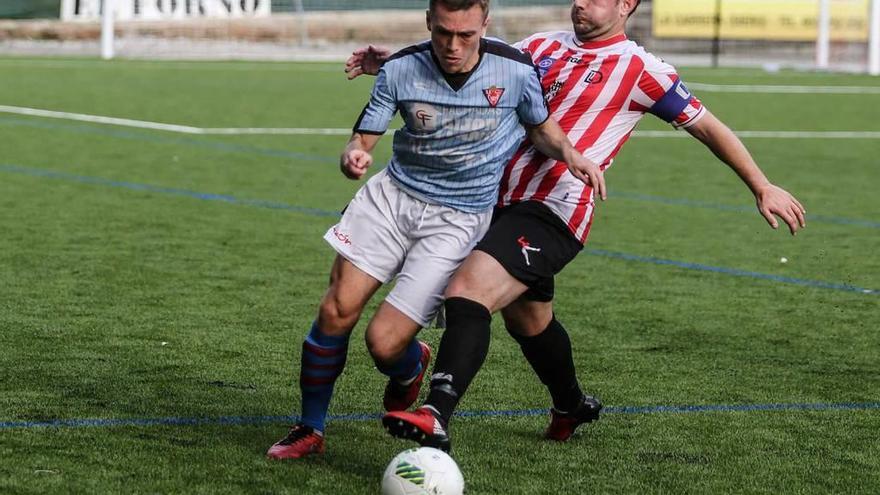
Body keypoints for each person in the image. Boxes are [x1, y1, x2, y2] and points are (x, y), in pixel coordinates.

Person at [348, 0, 806, 453]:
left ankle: (436, 412)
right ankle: (572, 405)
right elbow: (478, 62)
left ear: (627, 5)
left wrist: (761, 185)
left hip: (555, 208)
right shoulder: (540, 45)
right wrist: (392, 62)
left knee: (470, 292)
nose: (580, 3)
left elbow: (708, 127)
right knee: (530, 322)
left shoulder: (642, 69)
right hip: (492, 200)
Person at [267, 0, 606, 460]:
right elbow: (364, 135)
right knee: (335, 311)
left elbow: (542, 128)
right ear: (429, 22)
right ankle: (309, 428)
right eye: (443, 32)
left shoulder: (515, 71)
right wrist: (354, 155)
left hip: (458, 219)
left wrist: (573, 156)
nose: (452, 45)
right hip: (393, 199)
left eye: (465, 35)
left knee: (383, 344)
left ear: (485, 24)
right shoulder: (401, 68)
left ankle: (409, 367)